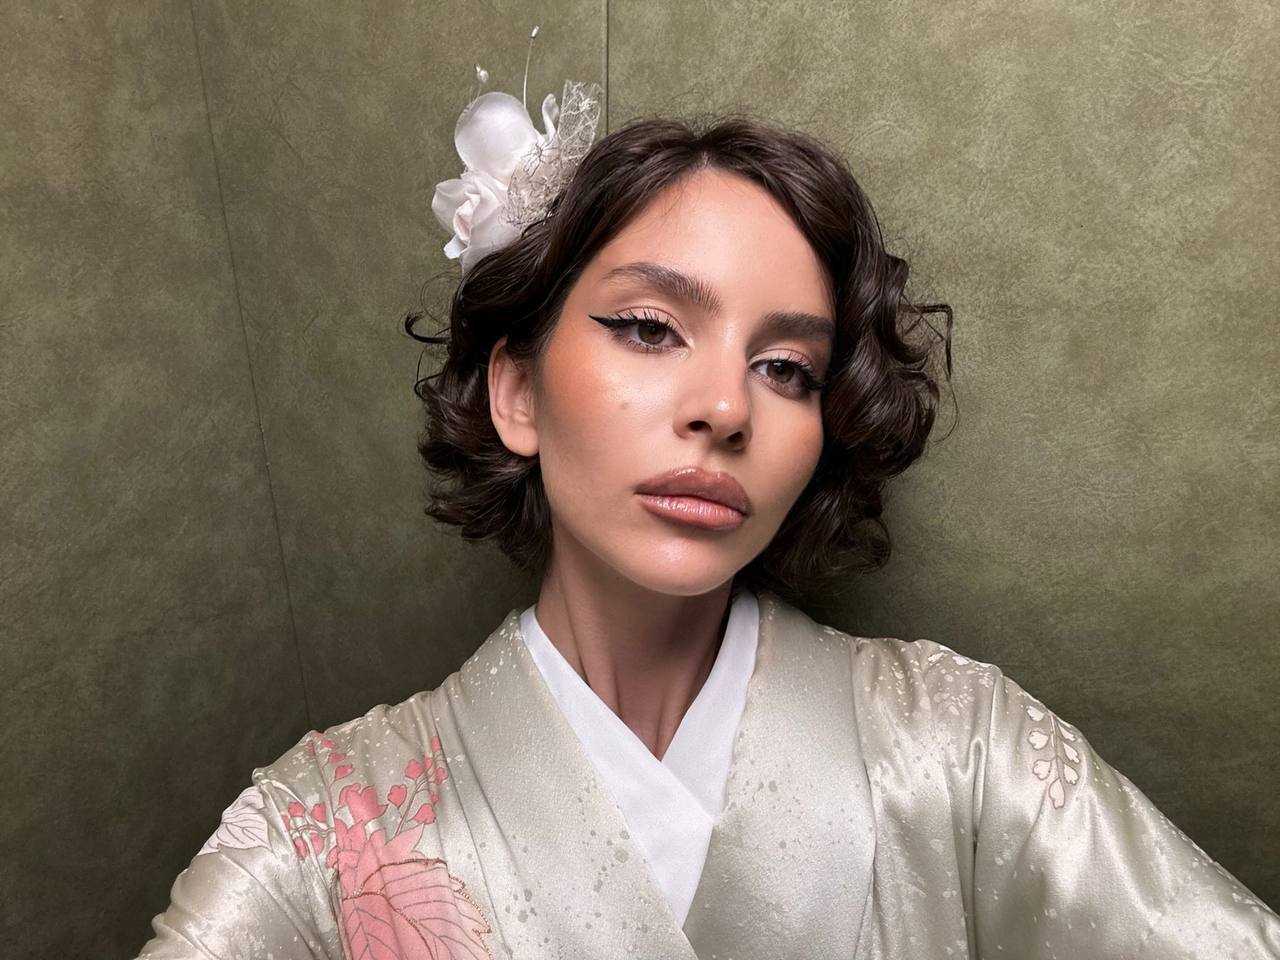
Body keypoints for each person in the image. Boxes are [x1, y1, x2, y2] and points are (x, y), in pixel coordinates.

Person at [134, 73, 1280, 960]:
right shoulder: (316, 831)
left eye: (785, 368)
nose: (725, 407)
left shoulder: (958, 749)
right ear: (516, 391)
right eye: (648, 328)